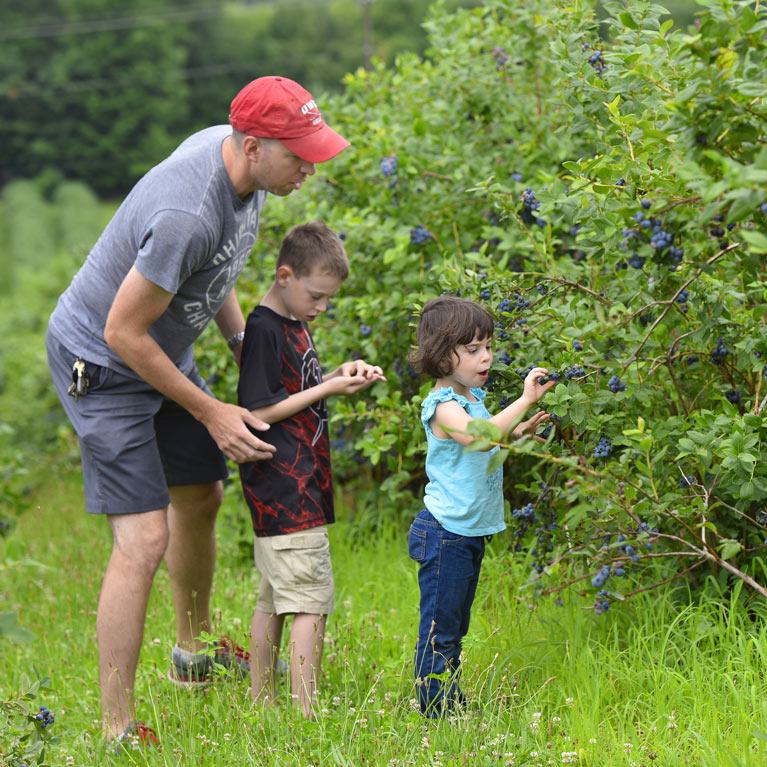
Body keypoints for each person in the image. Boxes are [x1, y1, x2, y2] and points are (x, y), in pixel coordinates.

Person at [45, 76, 350, 746]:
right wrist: (212, 410)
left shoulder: (246, 175)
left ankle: (191, 647)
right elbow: (123, 333)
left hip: (161, 346)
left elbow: (215, 274)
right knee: (144, 539)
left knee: (202, 494)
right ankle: (115, 727)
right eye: (298, 153)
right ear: (251, 145)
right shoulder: (189, 210)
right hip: (101, 360)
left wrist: (243, 348)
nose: (309, 165)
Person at [237, 220, 385, 717]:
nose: (321, 307)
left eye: (328, 300)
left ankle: (263, 704)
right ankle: (307, 712)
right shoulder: (262, 327)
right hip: (284, 485)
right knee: (310, 602)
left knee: (274, 598)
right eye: (317, 296)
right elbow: (258, 411)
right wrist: (327, 390)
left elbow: (291, 387)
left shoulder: (294, 323)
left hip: (297, 484)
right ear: (285, 276)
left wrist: (337, 373)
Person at [406, 295, 555, 717]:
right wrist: (524, 401)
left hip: (466, 532)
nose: (486, 356)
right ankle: (436, 712)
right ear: (440, 354)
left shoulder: (470, 396)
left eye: (488, 345)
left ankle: (447, 699)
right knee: (440, 629)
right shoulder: (443, 406)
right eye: (473, 349)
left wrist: (519, 430)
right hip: (444, 533)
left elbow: (486, 447)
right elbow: (477, 438)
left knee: (455, 624)